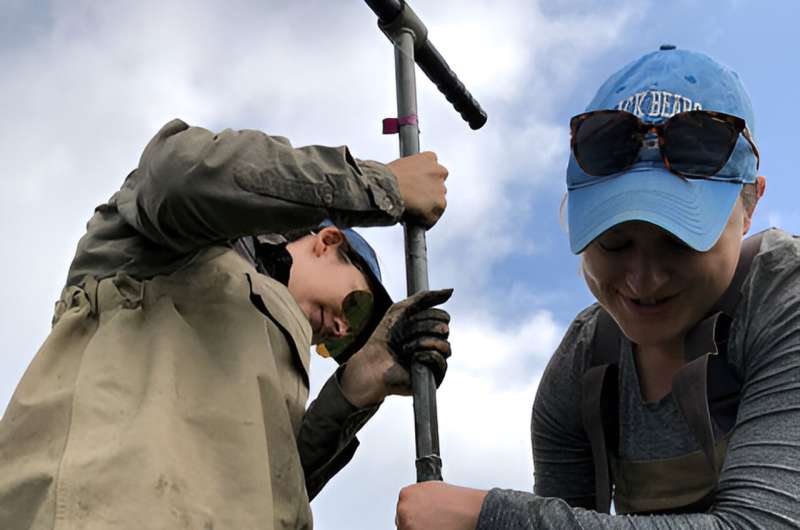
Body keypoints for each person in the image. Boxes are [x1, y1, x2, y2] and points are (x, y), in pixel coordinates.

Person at [395, 46, 799, 529]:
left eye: (680, 242)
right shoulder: (583, 370)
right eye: (613, 240)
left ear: (749, 205)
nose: (642, 279)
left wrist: (490, 517)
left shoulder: (784, 301)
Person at [0, 118, 454, 529]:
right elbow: (178, 175)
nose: (339, 331)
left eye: (347, 339)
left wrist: (358, 383)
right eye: (353, 306)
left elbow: (257, 487)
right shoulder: (180, 246)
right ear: (327, 241)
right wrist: (380, 185)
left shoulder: (269, 364)